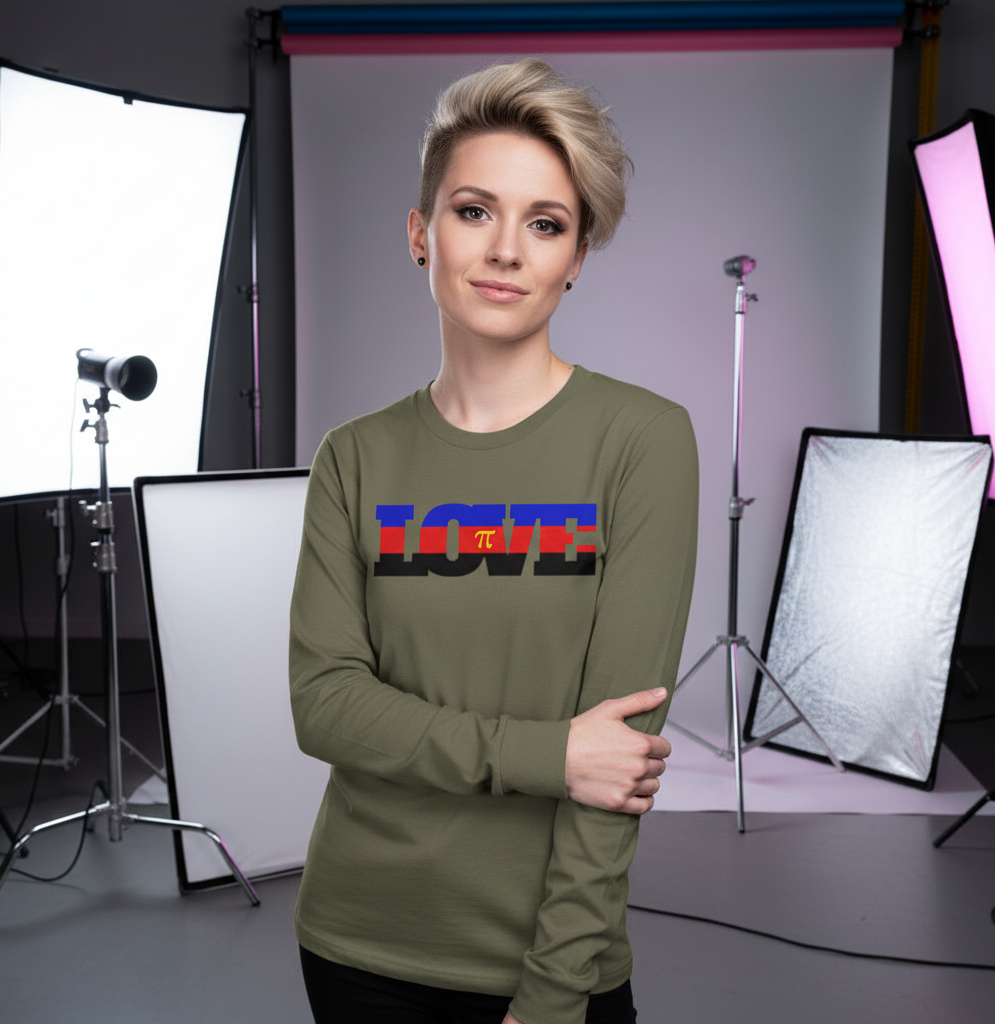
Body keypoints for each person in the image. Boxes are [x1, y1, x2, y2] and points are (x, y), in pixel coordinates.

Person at [289, 58, 698, 1024]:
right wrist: (547, 752)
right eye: (475, 211)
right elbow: (327, 708)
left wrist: (555, 992)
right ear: (421, 236)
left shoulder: (642, 441)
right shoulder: (353, 458)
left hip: (544, 968)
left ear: (576, 258)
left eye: (546, 224)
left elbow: (620, 757)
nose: (507, 249)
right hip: (353, 939)